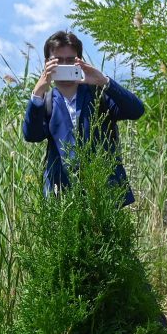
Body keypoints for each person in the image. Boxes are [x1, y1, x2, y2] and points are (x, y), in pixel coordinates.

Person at [23, 30, 143, 204]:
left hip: (105, 194)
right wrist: (38, 93)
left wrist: (104, 81)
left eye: (70, 60)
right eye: (57, 61)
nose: (64, 66)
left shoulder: (99, 94)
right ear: (47, 63)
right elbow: (32, 135)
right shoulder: (46, 102)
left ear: (79, 61)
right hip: (62, 197)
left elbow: (136, 110)